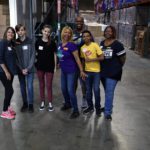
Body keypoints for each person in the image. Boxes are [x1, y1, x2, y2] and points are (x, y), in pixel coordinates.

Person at [58, 26, 86, 119]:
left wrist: (81, 70)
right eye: (65, 32)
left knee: (70, 90)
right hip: (63, 70)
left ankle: (75, 110)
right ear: (62, 33)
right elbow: (59, 55)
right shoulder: (60, 44)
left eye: (69, 33)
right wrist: (58, 63)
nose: (67, 34)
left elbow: (77, 59)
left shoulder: (72, 45)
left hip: (72, 71)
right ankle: (67, 104)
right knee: (63, 89)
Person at [100, 26, 126, 120]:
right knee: (107, 91)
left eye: (110, 31)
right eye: (106, 31)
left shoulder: (118, 44)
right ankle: (108, 106)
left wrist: (117, 67)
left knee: (109, 92)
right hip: (103, 72)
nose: (108, 33)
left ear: (113, 33)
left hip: (113, 73)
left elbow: (123, 59)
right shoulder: (102, 43)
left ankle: (107, 112)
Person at [80, 30, 104, 117]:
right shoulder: (82, 48)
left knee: (96, 90)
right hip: (87, 72)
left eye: (87, 36)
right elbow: (83, 60)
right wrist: (82, 71)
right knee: (88, 91)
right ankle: (90, 107)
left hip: (96, 72)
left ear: (90, 37)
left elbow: (102, 57)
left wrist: (91, 60)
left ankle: (98, 108)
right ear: (82, 38)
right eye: (84, 36)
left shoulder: (95, 45)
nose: (86, 38)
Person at [35, 25, 57, 111]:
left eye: (48, 32)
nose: (46, 33)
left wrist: (55, 67)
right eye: (45, 31)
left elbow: (55, 55)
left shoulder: (52, 43)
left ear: (50, 33)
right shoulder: (38, 42)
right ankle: (42, 101)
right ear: (42, 31)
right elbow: (36, 53)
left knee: (49, 85)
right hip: (40, 67)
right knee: (41, 85)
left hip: (49, 67)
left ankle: (50, 102)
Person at [15, 24, 35, 113]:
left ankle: (30, 104)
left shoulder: (30, 41)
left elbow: (33, 56)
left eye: (22, 30)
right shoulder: (15, 43)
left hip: (30, 69)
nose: (20, 32)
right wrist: (21, 69)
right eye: (19, 30)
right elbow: (15, 58)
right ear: (17, 32)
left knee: (30, 87)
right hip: (20, 70)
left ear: (25, 31)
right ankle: (25, 103)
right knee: (23, 87)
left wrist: (28, 68)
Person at [0, 27, 17, 119]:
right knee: (10, 90)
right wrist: (6, 72)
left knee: (8, 90)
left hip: (11, 71)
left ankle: (8, 107)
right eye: (9, 32)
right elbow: (0, 59)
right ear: (6, 33)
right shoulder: (3, 42)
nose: (11, 34)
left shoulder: (11, 44)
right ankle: (4, 111)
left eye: (12, 32)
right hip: (3, 72)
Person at [73, 16, 87, 109]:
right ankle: (72, 98)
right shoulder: (72, 33)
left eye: (80, 21)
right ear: (75, 22)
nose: (79, 23)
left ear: (83, 22)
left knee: (83, 83)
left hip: (84, 62)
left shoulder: (86, 33)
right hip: (73, 62)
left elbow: (91, 45)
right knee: (73, 82)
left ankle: (84, 99)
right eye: (77, 21)